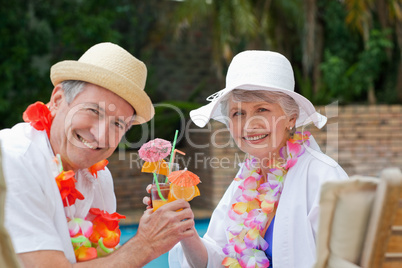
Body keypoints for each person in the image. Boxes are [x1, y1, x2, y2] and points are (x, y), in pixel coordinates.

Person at [1, 42, 195, 267]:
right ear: (57, 100)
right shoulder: (12, 160)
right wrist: (146, 244)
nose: (101, 136)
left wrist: (155, 231)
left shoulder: (99, 177)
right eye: (93, 111)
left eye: (118, 124)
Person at [168, 50, 349, 267]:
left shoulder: (324, 176)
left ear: (291, 117)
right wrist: (184, 229)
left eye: (262, 109)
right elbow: (215, 258)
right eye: (238, 113)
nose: (249, 124)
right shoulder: (244, 181)